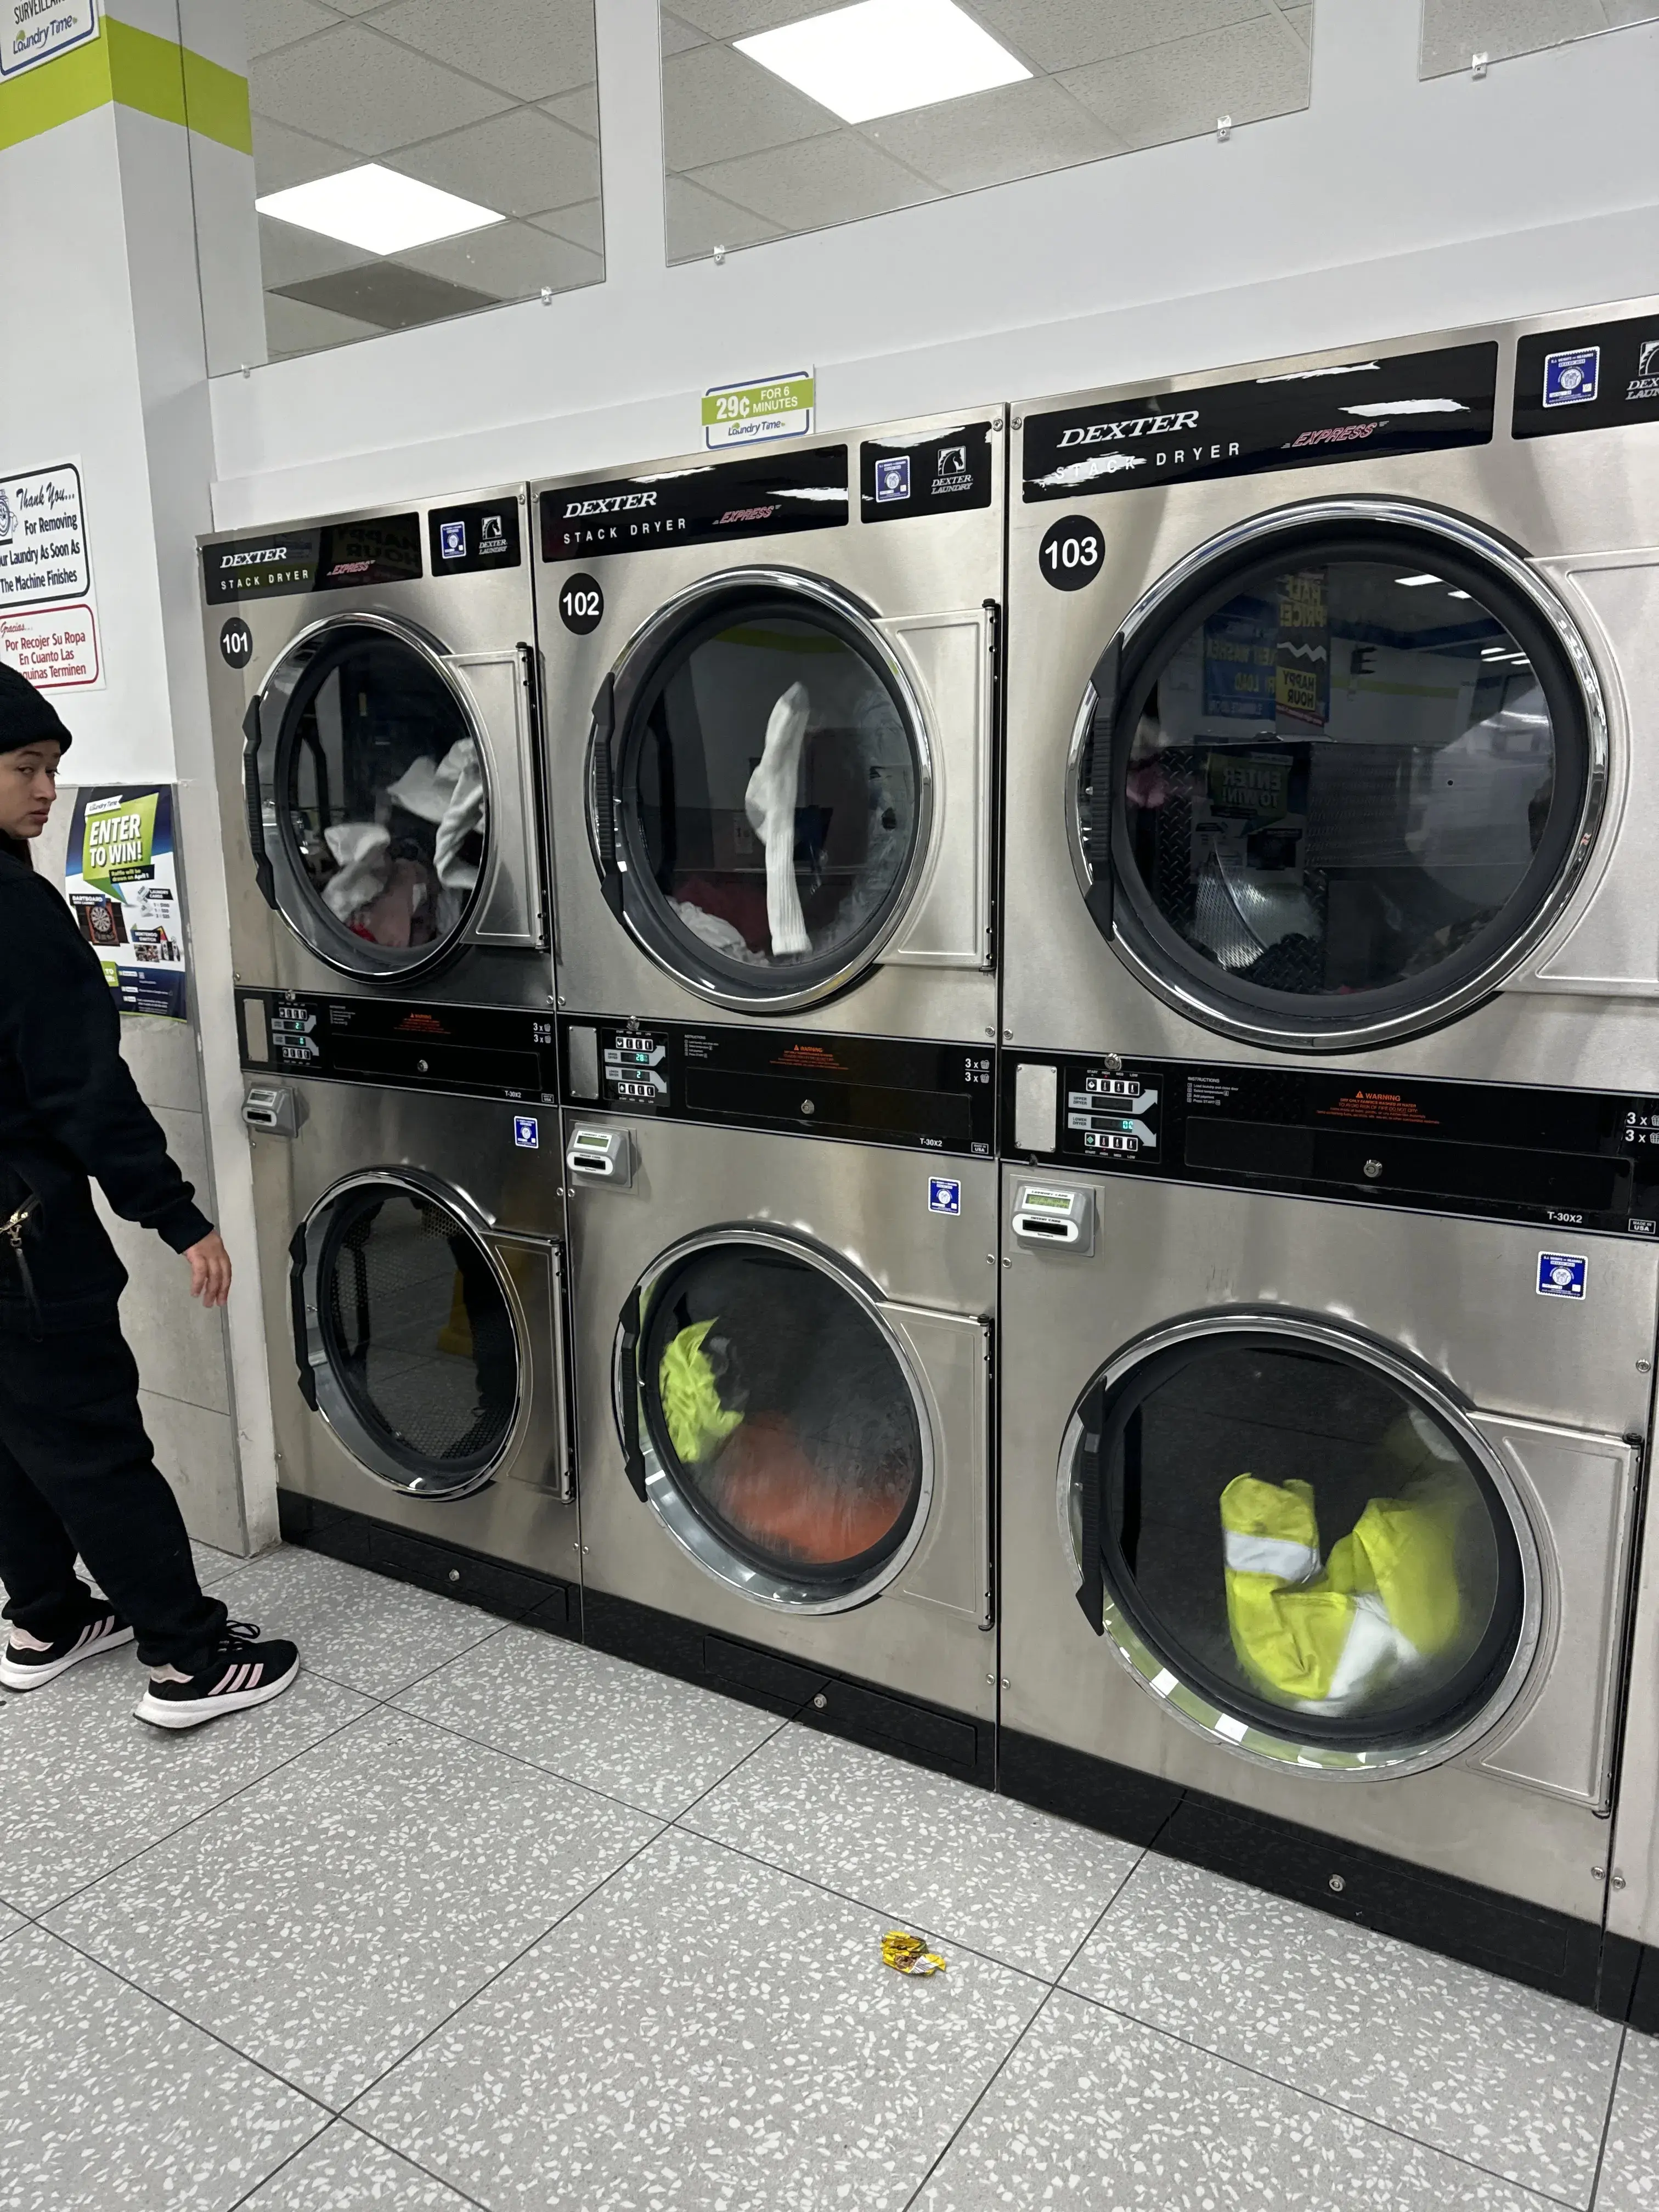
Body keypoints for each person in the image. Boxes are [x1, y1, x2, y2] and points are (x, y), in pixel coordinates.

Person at [0, 665, 297, 1727]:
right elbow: (84, 1090)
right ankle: (188, 1659)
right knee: (94, 1446)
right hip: (26, 1243)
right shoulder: (17, 913)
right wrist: (177, 1215)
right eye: (27, 767)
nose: (48, 790)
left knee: (13, 1437)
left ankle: (45, 1620)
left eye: (54, 768)